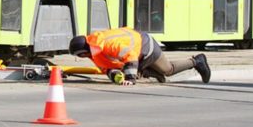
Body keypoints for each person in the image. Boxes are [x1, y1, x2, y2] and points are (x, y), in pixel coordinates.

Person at [68, 26, 211, 85]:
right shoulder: (95, 51)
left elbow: (130, 56)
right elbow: (106, 68)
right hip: (139, 55)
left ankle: (197, 61)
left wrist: (130, 79)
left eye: (81, 56)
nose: (83, 58)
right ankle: (156, 74)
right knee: (138, 71)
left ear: (83, 53)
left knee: (168, 70)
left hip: (146, 46)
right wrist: (115, 76)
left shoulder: (107, 44)